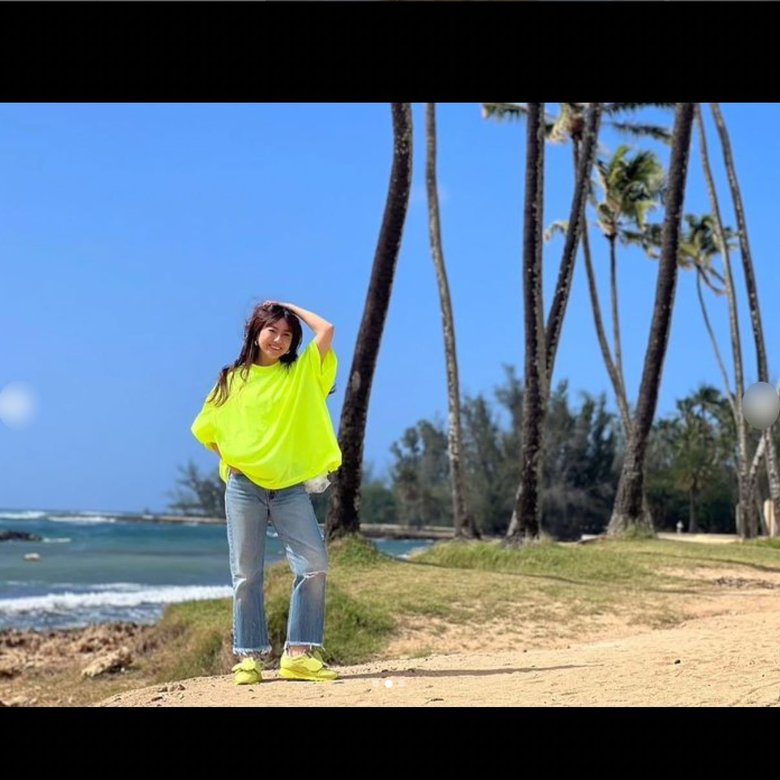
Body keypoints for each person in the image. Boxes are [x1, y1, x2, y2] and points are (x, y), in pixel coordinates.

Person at [191, 300, 342, 684]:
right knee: (246, 574)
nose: (278, 339)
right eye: (271, 330)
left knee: (314, 565)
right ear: (255, 332)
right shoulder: (232, 379)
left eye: (287, 334)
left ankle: (298, 655)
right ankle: (249, 659)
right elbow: (207, 428)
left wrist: (285, 306)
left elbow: (326, 329)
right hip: (244, 488)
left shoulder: (300, 373)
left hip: (289, 488)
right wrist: (232, 459)